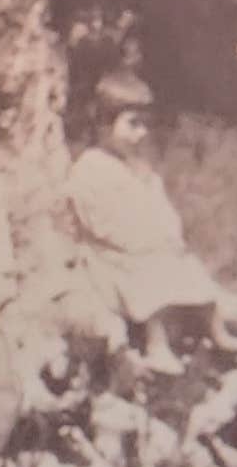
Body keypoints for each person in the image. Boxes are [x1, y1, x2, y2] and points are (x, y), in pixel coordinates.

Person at [64, 70, 228, 376]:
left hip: (145, 247)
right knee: (145, 272)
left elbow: (162, 210)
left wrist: (170, 236)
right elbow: (100, 224)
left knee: (186, 264)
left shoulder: (141, 169)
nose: (141, 134)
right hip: (109, 256)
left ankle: (217, 331)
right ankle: (157, 344)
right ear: (103, 124)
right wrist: (141, 243)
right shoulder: (89, 169)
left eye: (145, 125)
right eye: (132, 124)